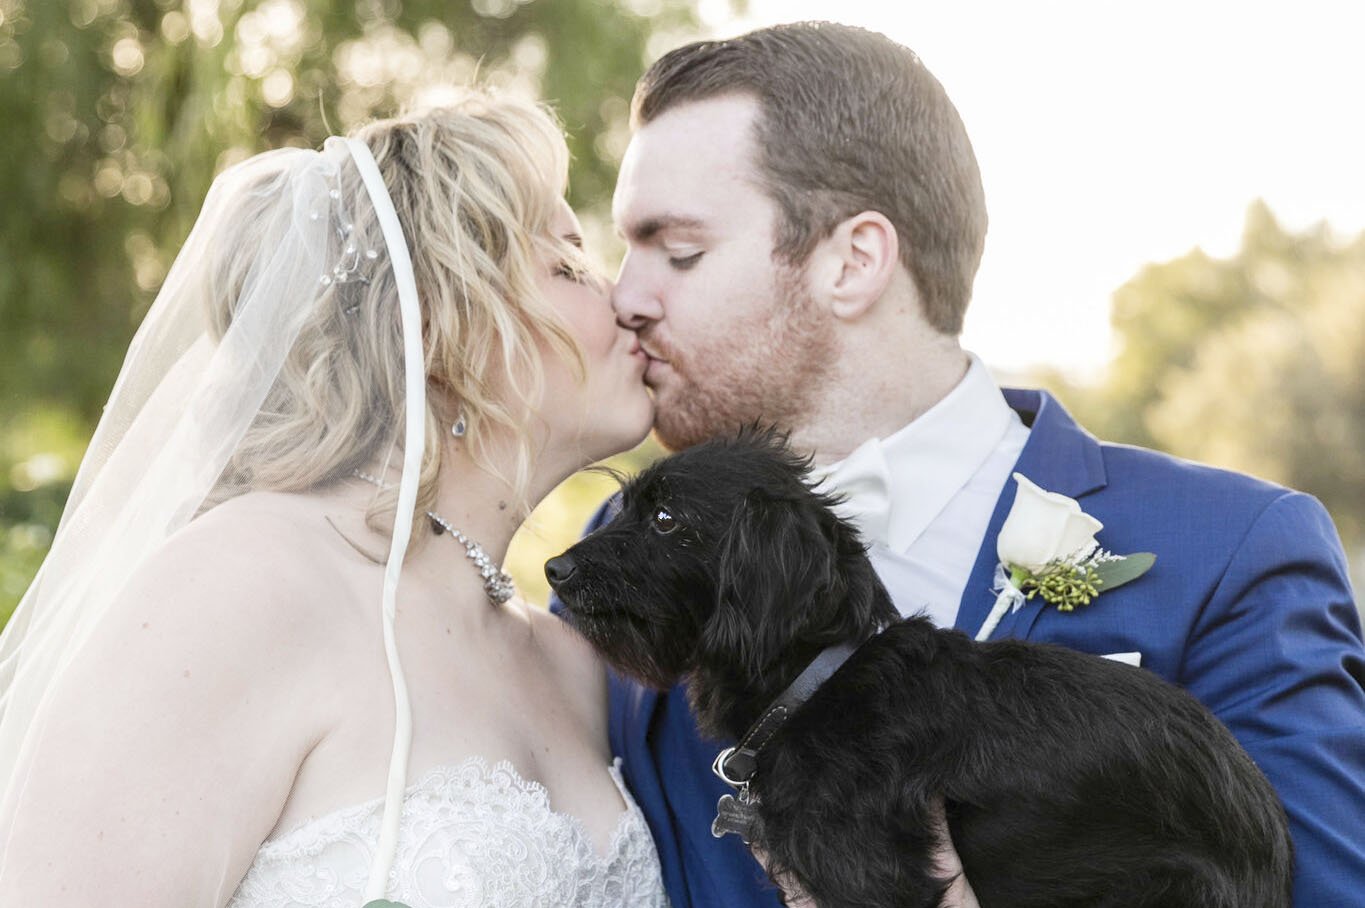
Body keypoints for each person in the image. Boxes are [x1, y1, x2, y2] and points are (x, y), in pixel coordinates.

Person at [593, 21, 1365, 908]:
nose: (624, 297)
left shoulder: (1230, 552)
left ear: (853, 260)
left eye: (677, 251)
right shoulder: (621, 553)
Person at [0, 90, 669, 907]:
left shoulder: (572, 662)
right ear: (439, 326)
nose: (624, 301)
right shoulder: (241, 583)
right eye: (567, 264)